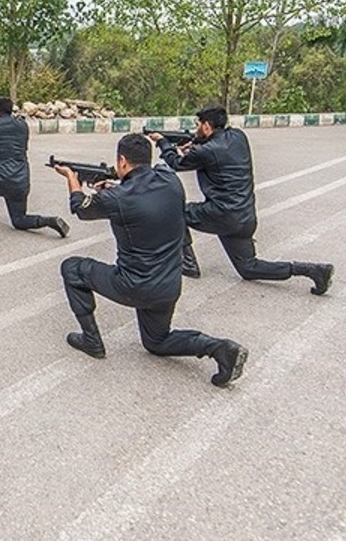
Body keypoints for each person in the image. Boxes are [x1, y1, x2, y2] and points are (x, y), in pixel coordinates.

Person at [53, 134, 247, 387]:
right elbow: (140, 196)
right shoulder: (170, 180)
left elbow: (81, 207)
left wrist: (72, 179)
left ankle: (91, 341)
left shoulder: (119, 198)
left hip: (134, 286)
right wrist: (113, 187)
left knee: (72, 268)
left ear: (122, 160)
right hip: (169, 285)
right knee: (156, 341)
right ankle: (220, 349)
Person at [150, 105, 334, 294]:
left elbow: (175, 163)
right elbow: (217, 155)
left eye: (198, 124)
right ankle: (311, 270)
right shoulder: (239, 137)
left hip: (222, 214)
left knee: (174, 212)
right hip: (244, 216)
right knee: (248, 268)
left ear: (206, 126)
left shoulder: (206, 151)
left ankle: (188, 264)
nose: (196, 128)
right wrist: (193, 144)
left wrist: (163, 142)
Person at [0, 97, 68, 237]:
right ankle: (48, 221)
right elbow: (6, 132)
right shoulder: (22, 125)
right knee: (19, 220)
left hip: (1, 180)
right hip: (21, 182)